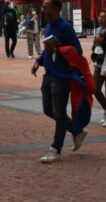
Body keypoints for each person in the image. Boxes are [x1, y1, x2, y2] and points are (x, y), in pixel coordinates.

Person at [30, 35, 94, 164]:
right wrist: (38, 61)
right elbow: (46, 49)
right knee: (48, 110)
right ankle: (77, 131)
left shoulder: (65, 28)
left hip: (61, 77)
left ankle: (55, 149)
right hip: (48, 75)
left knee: (59, 113)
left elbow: (77, 50)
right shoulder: (48, 26)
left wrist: (58, 48)